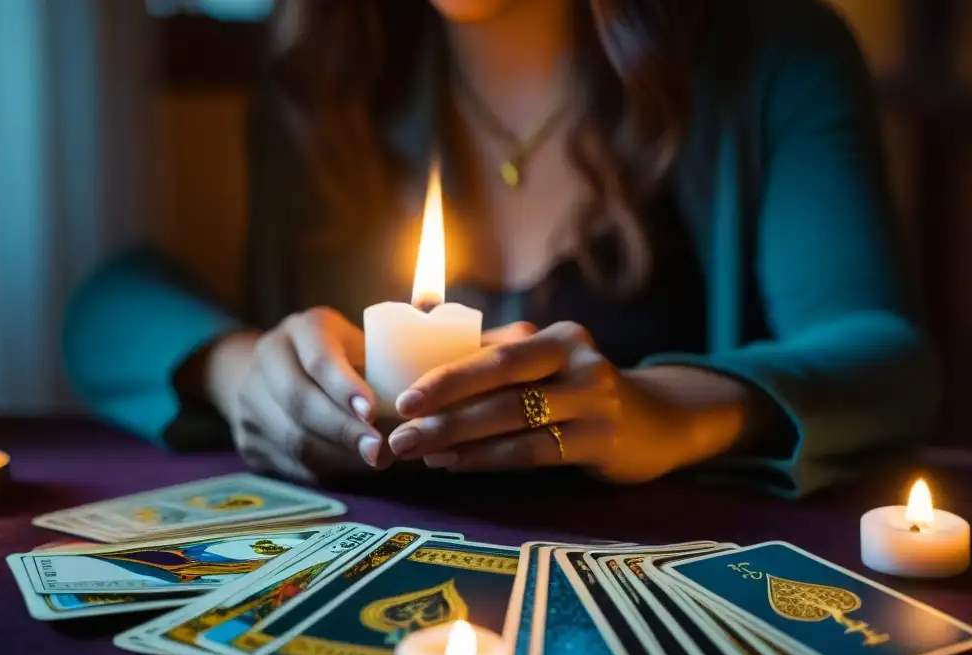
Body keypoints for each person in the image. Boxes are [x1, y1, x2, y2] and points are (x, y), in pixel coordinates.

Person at [64, 0, 940, 498]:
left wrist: (666, 412)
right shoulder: (328, 81)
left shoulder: (775, 59)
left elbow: (887, 358)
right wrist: (238, 366)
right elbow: (107, 307)